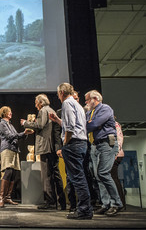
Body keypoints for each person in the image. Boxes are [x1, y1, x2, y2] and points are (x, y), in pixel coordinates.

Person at [49, 83, 93, 220]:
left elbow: (70, 128)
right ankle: (84, 209)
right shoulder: (77, 105)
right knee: (80, 178)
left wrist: (64, 144)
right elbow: (75, 124)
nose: (58, 96)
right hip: (81, 143)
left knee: (78, 179)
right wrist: (57, 120)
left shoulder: (67, 104)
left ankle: (84, 210)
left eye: (58, 94)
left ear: (62, 92)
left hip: (73, 144)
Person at [20, 94, 66, 210]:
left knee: (47, 175)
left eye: (36, 103)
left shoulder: (43, 111)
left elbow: (39, 125)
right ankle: (61, 202)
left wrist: (25, 123)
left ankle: (50, 202)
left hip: (46, 146)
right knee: (55, 174)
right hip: (51, 146)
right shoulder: (51, 110)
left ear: (40, 103)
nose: (35, 105)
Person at [85, 90, 123, 216]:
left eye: (87, 100)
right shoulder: (91, 112)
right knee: (98, 176)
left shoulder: (105, 109)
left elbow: (93, 124)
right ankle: (106, 204)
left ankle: (116, 203)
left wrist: (92, 124)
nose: (85, 102)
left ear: (95, 98)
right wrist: (91, 124)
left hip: (107, 143)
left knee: (103, 173)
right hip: (97, 144)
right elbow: (86, 125)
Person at [0, 106, 33, 208]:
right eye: (9, 112)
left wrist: (26, 133)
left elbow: (17, 136)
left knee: (13, 173)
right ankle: (1, 198)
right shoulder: (2, 124)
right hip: (7, 149)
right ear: (4, 113)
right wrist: (23, 133)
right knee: (8, 171)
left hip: (14, 150)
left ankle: (8, 197)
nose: (11, 113)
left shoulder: (10, 125)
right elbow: (10, 136)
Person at [111, 120, 126, 210]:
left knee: (114, 179)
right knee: (114, 179)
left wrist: (115, 151)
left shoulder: (114, 124)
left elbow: (119, 138)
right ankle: (120, 203)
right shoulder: (114, 124)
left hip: (116, 154)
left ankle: (120, 203)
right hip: (116, 153)